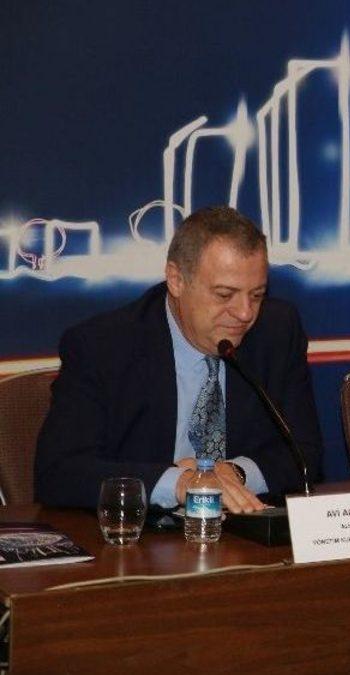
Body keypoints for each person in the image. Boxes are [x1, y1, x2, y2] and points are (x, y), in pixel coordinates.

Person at [35, 206, 322, 512]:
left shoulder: (277, 331)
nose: (244, 313)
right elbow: (59, 473)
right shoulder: (103, 347)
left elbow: (305, 453)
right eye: (224, 295)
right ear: (176, 280)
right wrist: (180, 483)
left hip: (243, 530)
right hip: (144, 533)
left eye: (256, 295)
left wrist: (235, 473)